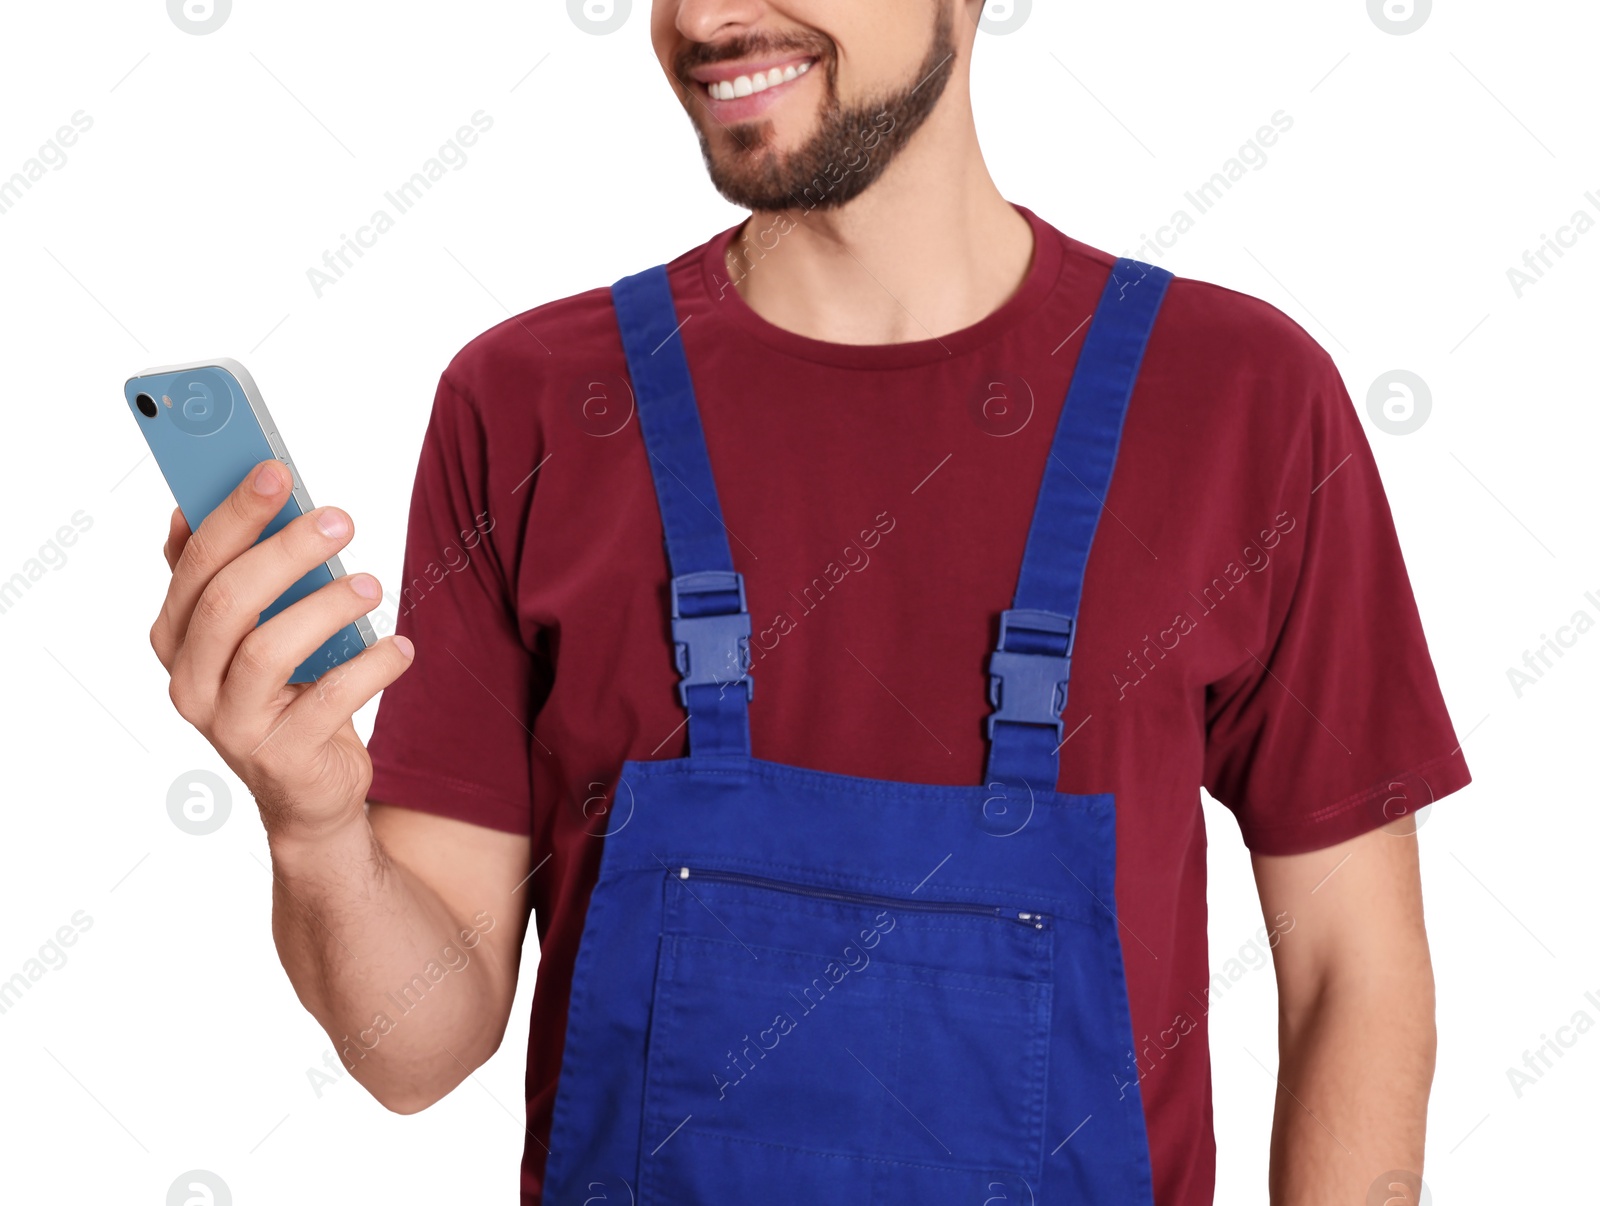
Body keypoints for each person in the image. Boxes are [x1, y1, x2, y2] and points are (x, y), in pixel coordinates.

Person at [147, 3, 1471, 1203]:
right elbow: (413, 1048)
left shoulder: (1238, 399)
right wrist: (313, 828)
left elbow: (1355, 968)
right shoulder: (529, 404)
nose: (707, 19)